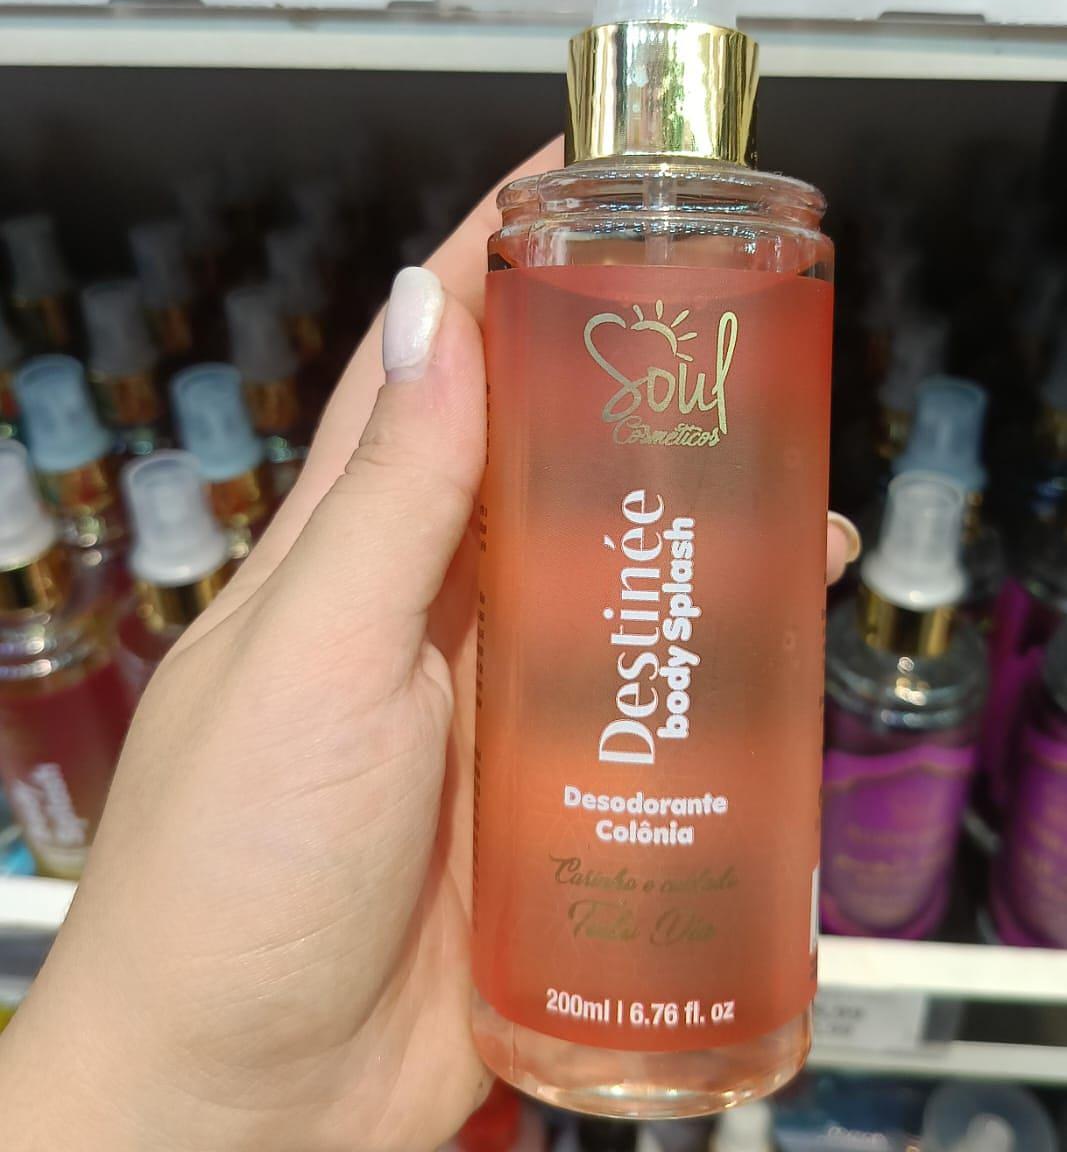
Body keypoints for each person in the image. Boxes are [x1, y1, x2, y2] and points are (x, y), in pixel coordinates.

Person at [0, 143, 860, 1152]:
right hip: (488, 991)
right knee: (667, 603)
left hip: (720, 996)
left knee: (703, 605)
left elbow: (654, 598)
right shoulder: (549, 237)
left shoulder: (781, 244)